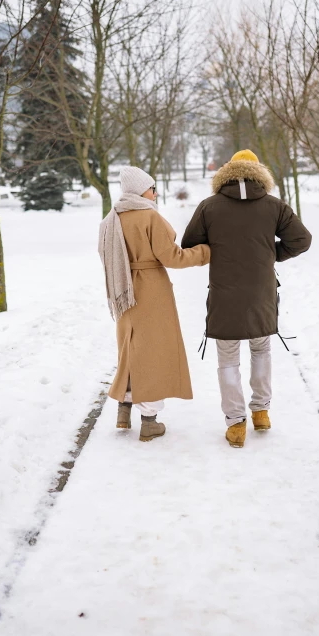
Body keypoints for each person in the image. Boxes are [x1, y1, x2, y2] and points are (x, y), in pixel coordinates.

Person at [181, 150, 312, 448]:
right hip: (260, 293)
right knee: (261, 349)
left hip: (224, 293)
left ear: (227, 171)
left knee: (227, 358)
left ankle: (236, 423)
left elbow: (190, 243)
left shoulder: (209, 206)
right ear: (259, 172)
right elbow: (302, 239)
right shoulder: (274, 206)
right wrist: (270, 255)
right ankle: (261, 411)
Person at [99, 166, 210, 442]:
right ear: (141, 190)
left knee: (130, 348)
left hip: (123, 291)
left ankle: (123, 410)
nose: (155, 193)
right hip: (150, 291)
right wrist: (206, 252)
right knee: (153, 351)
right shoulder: (149, 217)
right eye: (152, 188)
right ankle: (149, 420)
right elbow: (173, 257)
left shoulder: (110, 220)